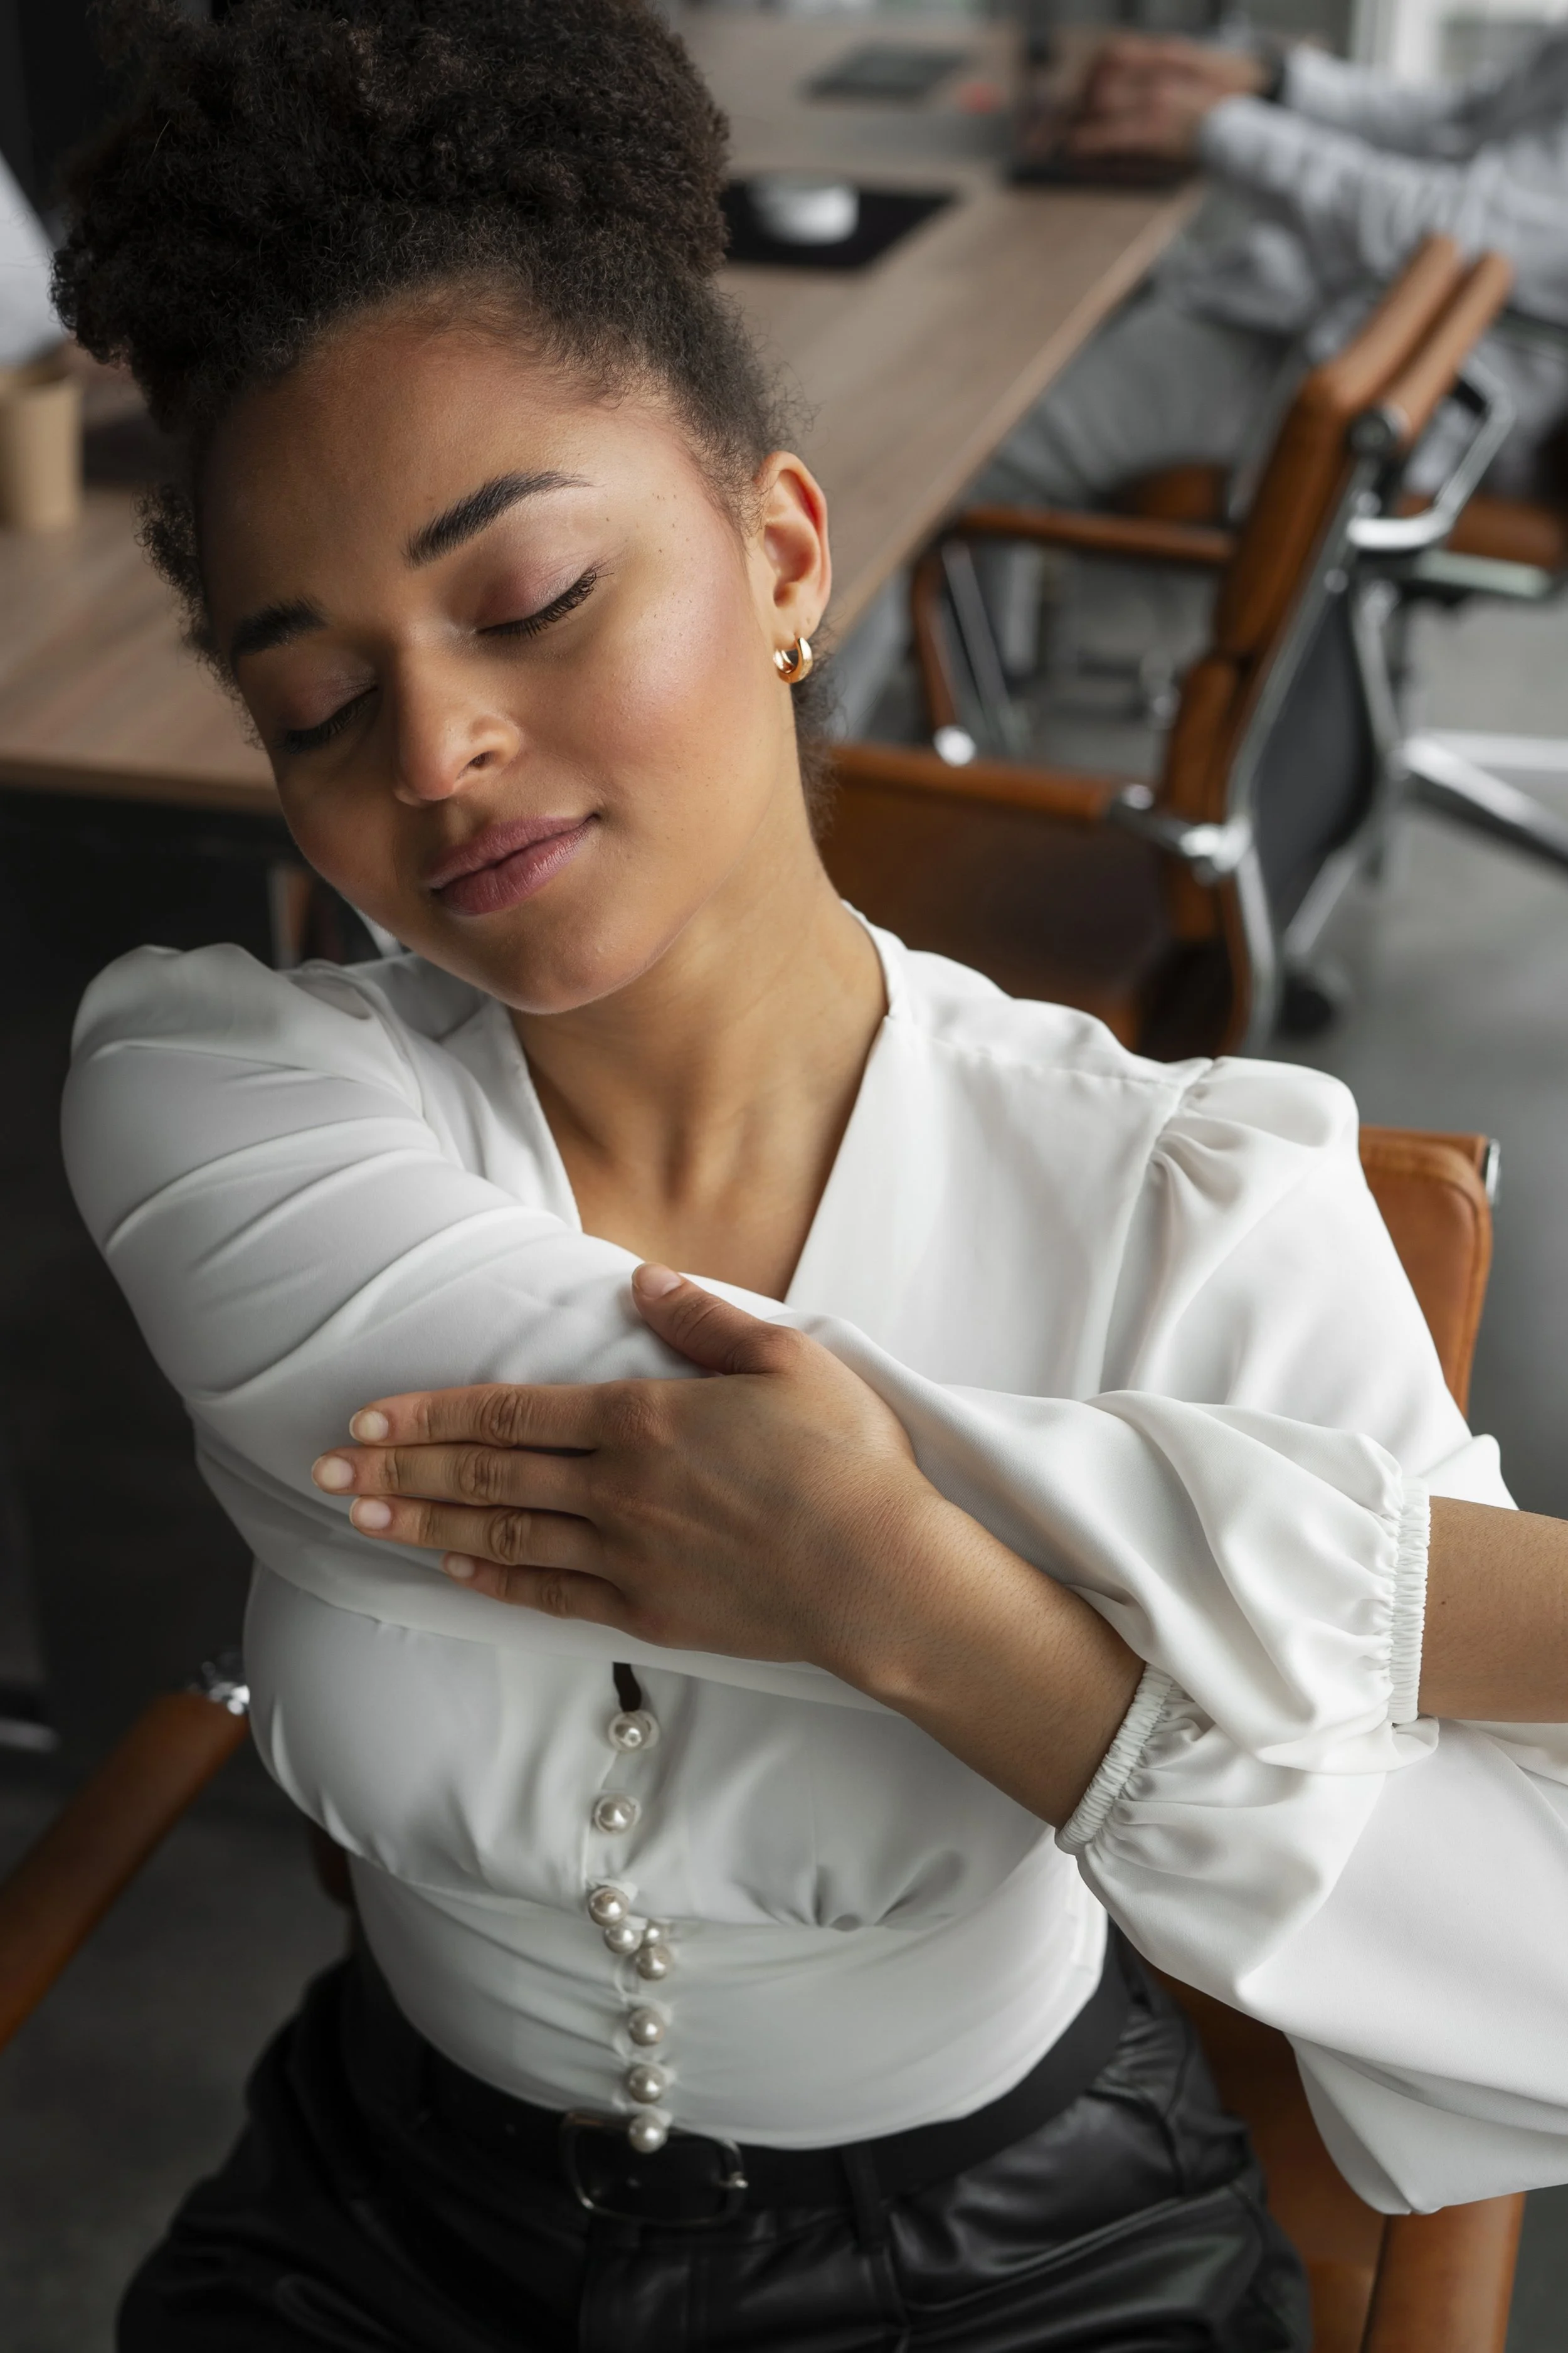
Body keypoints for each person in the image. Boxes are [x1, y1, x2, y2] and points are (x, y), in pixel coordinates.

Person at [55, 2, 1568, 2345]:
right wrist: (1492, 1607)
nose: (438, 746)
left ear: (779, 556)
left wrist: (926, 1612)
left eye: (532, 596)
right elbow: (715, 1469)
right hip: (391, 2227)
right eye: (316, 705)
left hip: (1021, 2259)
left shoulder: (1189, 1210)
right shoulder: (214, 1100)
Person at [980, 26, 1568, 516]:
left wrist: (1213, 127)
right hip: (1325, 326)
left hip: (1359, 386)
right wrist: (1274, 83)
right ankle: (966, 635)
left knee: (964, 441)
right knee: (1018, 336)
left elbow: (1440, 231)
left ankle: (924, 634)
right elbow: (1461, 118)